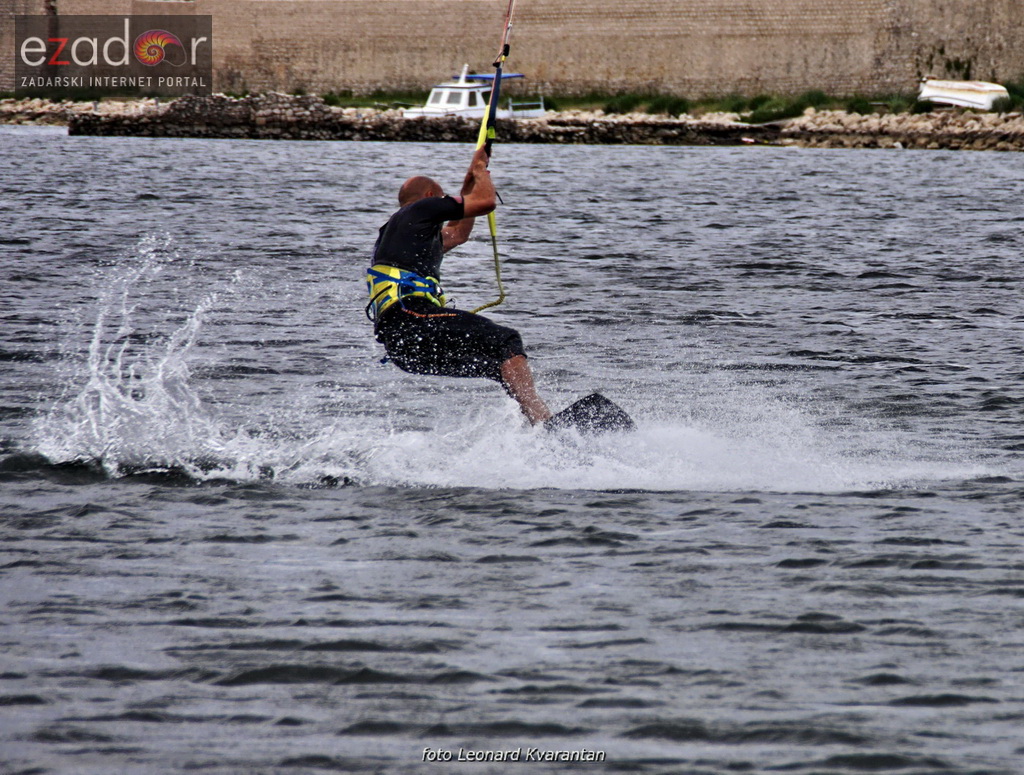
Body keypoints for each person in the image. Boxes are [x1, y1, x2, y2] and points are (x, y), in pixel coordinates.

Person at [366, 147, 552, 425]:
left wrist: (471, 178)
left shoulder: (404, 235)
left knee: (502, 366)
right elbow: (485, 202)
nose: (444, 202)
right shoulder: (420, 208)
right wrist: (481, 174)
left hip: (404, 349)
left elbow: (459, 232)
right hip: (412, 320)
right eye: (442, 198)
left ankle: (534, 435)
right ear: (430, 197)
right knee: (507, 340)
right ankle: (543, 422)